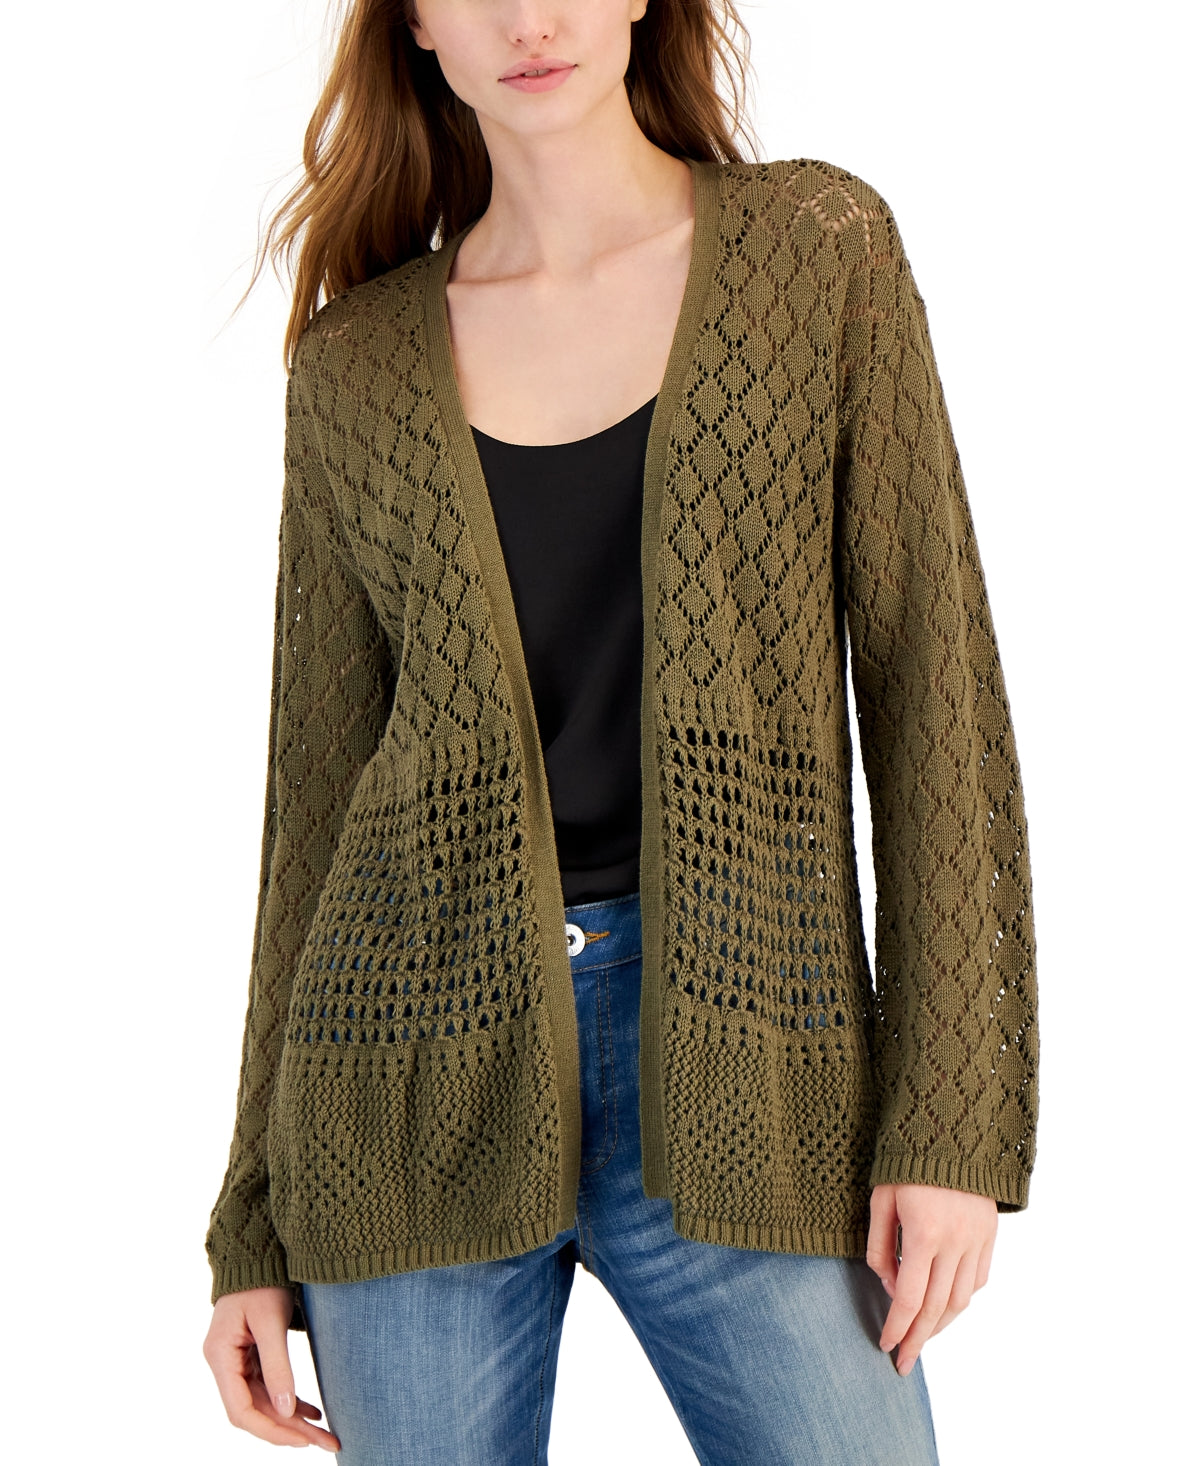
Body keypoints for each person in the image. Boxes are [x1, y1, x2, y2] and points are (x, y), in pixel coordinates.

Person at [202, 2, 1039, 1461]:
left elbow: (934, 691)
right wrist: (253, 1225)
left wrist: (950, 1120)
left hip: (755, 1052)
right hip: (402, 1081)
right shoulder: (357, 363)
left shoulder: (815, 255)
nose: (530, 20)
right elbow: (313, 805)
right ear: (417, 23)